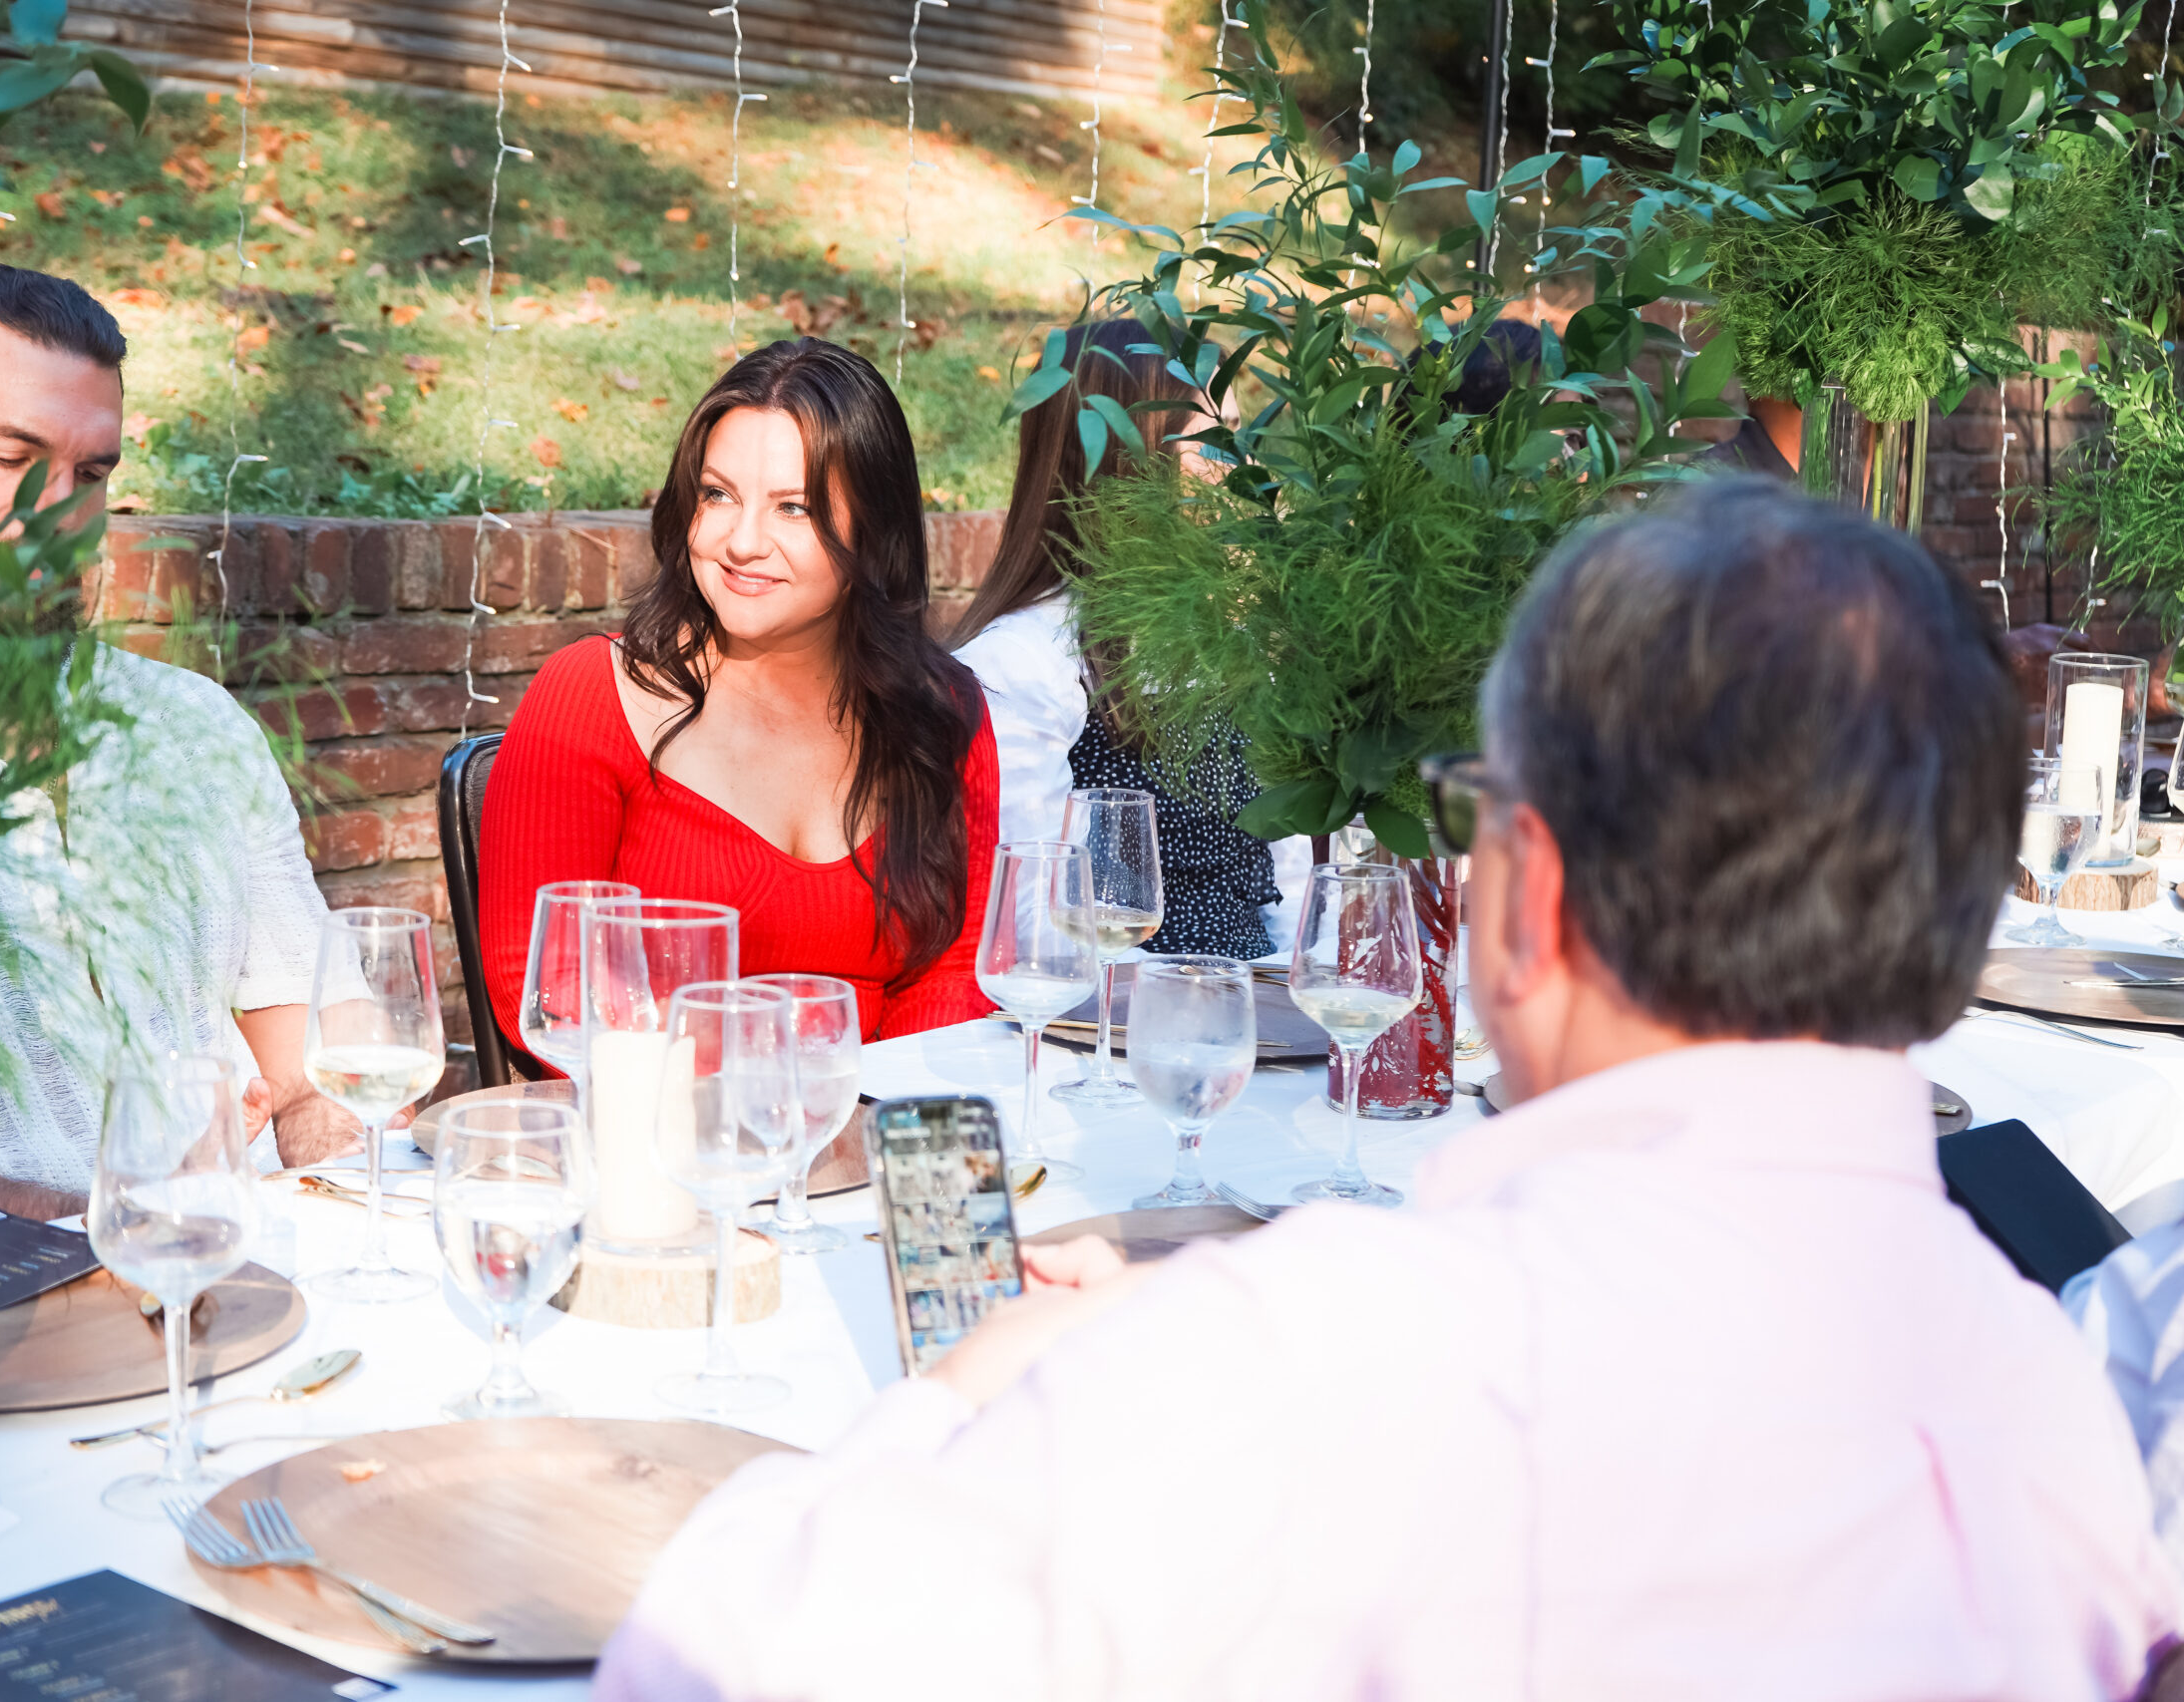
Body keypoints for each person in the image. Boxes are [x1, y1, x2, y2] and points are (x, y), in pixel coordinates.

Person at [591, 479, 2180, 1699]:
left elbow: (711, 1658)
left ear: (1522, 888)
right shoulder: (2057, 1416)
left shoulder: (1322, 1368)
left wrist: (972, 1386)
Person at [0, 264, 364, 1217]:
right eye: (11, 457)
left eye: (90, 474)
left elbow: (320, 1059)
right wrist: (110, 1221)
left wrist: (331, 1157)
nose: (57, 516)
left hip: (239, 1265)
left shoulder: (193, 727)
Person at [479, 336, 994, 1048]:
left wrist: (867, 1112)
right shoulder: (593, 694)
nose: (741, 541)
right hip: (658, 1133)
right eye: (717, 495)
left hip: (871, 1130)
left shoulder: (942, 711)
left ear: (874, 530)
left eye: (794, 508)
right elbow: (544, 990)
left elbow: (955, 969)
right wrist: (753, 1108)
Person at [951, 320, 1302, 958]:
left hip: (1265, 1023)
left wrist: (1307, 1014)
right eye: (1214, 439)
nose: (1246, 468)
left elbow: (1293, 884)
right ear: (1124, 462)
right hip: (1108, 1032)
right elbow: (1032, 928)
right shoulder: (1024, 663)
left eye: (1240, 436)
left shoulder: (1235, 644)